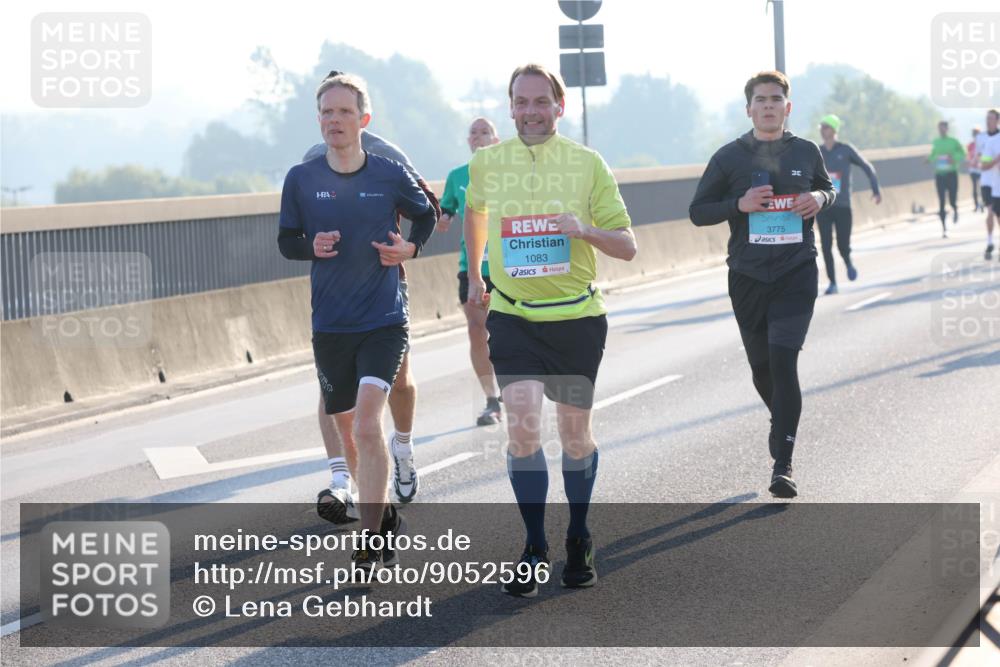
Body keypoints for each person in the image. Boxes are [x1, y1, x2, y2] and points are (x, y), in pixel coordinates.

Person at [464, 63, 636, 596]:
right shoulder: (488, 163)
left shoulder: (587, 164)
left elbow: (627, 245)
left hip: (576, 319)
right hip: (513, 316)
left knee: (574, 436)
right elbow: (474, 212)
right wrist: (476, 273)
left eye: (542, 102)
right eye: (522, 101)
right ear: (510, 105)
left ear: (559, 107)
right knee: (519, 422)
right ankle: (535, 544)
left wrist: (583, 229)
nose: (531, 111)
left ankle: (579, 534)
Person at [278, 72, 436, 572]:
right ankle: (379, 510)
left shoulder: (387, 167)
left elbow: (427, 212)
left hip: (384, 316)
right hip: (330, 323)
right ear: (318, 118)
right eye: (327, 111)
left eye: (344, 112)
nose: (334, 120)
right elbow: (287, 241)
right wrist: (311, 247)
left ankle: (368, 539)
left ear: (363, 119)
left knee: (369, 424)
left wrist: (410, 247)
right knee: (344, 422)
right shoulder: (301, 176)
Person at [689, 70, 835, 499]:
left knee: (783, 360)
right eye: (760, 99)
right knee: (760, 368)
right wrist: (739, 204)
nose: (768, 105)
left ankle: (782, 464)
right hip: (748, 276)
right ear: (749, 108)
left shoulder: (806, 152)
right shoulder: (728, 157)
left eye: (776, 99)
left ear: (788, 108)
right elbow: (698, 211)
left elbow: (828, 188)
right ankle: (782, 421)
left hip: (796, 271)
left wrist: (821, 199)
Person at [437, 117, 503, 426]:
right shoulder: (457, 176)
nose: (478, 136)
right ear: (469, 141)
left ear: (496, 139)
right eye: (473, 133)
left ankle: (517, 389)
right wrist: (443, 218)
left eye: (484, 131)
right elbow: (446, 208)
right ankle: (492, 399)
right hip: (473, 267)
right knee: (478, 331)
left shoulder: (509, 173)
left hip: (508, 266)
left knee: (507, 332)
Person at [816, 113, 881, 294]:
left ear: (834, 130)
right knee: (826, 246)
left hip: (843, 205)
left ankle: (848, 261)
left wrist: (875, 190)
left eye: (826, 127)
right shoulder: (817, 151)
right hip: (823, 206)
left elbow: (868, 167)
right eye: (821, 128)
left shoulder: (845, 150)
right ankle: (833, 283)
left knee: (842, 245)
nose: (823, 131)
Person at [928, 121, 965, 237]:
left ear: (947, 129)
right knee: (941, 201)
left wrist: (954, 158)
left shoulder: (954, 141)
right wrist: (928, 159)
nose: (941, 130)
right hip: (940, 174)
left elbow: (963, 153)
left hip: (951, 174)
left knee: (952, 198)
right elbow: (934, 155)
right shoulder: (936, 142)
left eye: (943, 128)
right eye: (939, 128)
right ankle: (944, 228)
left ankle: (955, 208)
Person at [971, 110, 999, 260]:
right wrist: (976, 161)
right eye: (987, 119)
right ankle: (989, 242)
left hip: (998, 182)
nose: (988, 121)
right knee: (990, 212)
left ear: (997, 121)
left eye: (991, 119)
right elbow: (979, 158)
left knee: (997, 213)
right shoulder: (981, 138)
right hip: (986, 181)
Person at [968, 128, 983, 213]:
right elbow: (969, 156)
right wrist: (972, 162)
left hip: (981, 169)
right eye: (974, 134)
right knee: (974, 187)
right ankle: (976, 204)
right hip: (973, 169)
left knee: (981, 187)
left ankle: (982, 203)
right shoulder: (970, 145)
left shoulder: (983, 144)